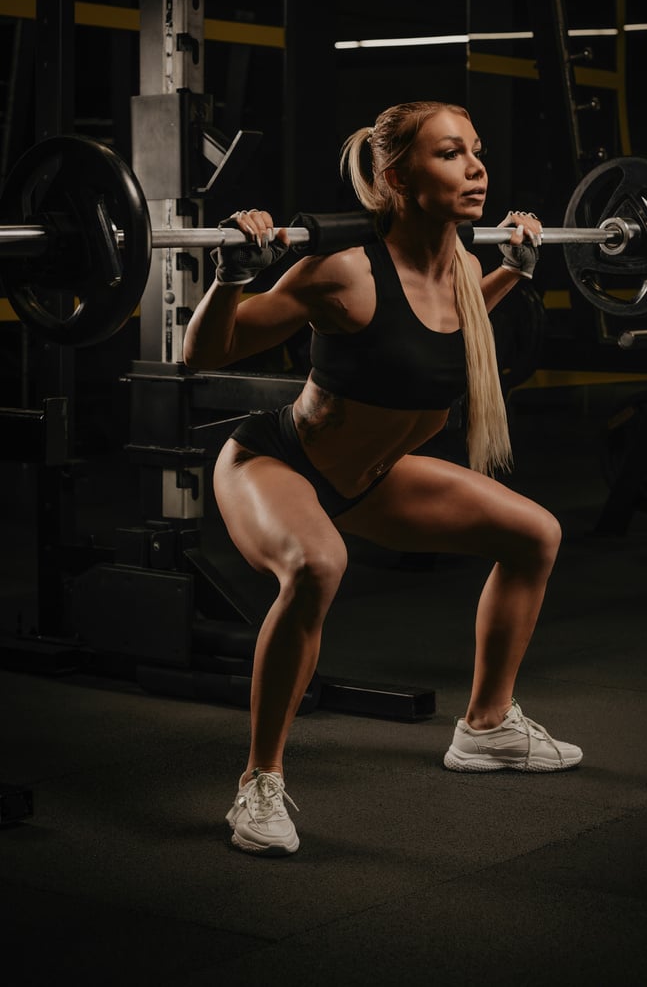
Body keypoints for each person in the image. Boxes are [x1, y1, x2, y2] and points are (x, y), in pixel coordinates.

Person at [183, 100, 582, 857]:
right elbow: (206, 353)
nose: (475, 168)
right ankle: (258, 783)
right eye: (449, 154)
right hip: (275, 462)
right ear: (398, 177)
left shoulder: (465, 266)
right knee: (316, 566)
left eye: (476, 151)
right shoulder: (341, 270)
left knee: (534, 534)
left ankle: (487, 727)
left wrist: (509, 275)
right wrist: (231, 278)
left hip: (371, 477)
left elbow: (437, 338)